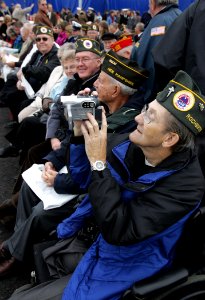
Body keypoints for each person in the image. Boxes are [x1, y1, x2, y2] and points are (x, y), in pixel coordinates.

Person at [8, 70, 205, 300]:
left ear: (169, 139)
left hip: (127, 264)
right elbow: (82, 179)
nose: (138, 118)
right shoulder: (130, 146)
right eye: (144, 110)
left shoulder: (186, 187)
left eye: (150, 116)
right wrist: (81, 137)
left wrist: (99, 164)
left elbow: (119, 230)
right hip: (96, 236)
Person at [0, 50, 148, 279]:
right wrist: (51, 162)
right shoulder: (100, 104)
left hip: (90, 189)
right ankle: (21, 249)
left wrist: (58, 180)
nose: (95, 82)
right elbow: (71, 141)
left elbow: (92, 175)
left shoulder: (126, 127)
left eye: (101, 80)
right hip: (77, 174)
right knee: (30, 186)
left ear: (116, 91)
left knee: (40, 213)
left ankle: (14, 253)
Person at [0, 25, 60, 134]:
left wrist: (25, 70)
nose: (41, 42)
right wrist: (21, 80)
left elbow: (43, 72)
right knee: (12, 83)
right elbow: (27, 67)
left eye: (45, 39)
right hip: (28, 86)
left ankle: (18, 129)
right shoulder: (38, 53)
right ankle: (15, 120)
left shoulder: (55, 54)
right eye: (38, 39)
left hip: (39, 92)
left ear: (52, 40)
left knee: (16, 97)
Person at [131, 0, 181, 103]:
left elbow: (153, 64)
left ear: (153, 3)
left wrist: (148, 98)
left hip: (160, 98)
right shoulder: (181, 16)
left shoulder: (159, 23)